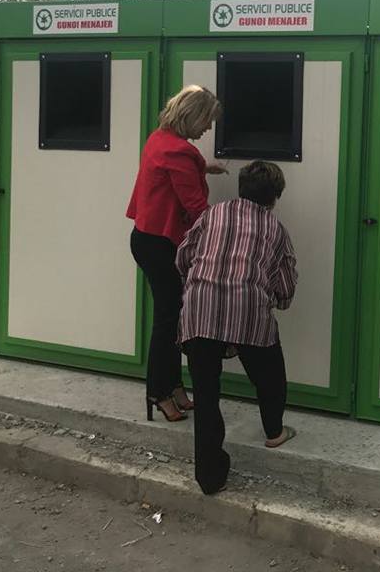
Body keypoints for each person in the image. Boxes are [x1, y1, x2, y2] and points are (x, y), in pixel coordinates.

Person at [176, 160, 298, 495]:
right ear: (274, 198)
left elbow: (183, 256)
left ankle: (210, 477)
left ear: (241, 189)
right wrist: (274, 300)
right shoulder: (275, 229)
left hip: (199, 308)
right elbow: (286, 287)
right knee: (270, 375)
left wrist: (198, 284)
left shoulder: (211, 215)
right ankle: (274, 432)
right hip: (248, 310)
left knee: (206, 394)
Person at [127, 85, 225, 423]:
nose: (208, 128)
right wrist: (227, 231)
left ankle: (174, 386)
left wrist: (204, 168)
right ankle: (158, 392)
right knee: (168, 322)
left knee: (173, 320)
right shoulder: (180, 152)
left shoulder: (160, 138)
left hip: (148, 239)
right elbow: (195, 205)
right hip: (161, 245)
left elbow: (173, 169)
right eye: (207, 120)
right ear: (193, 116)